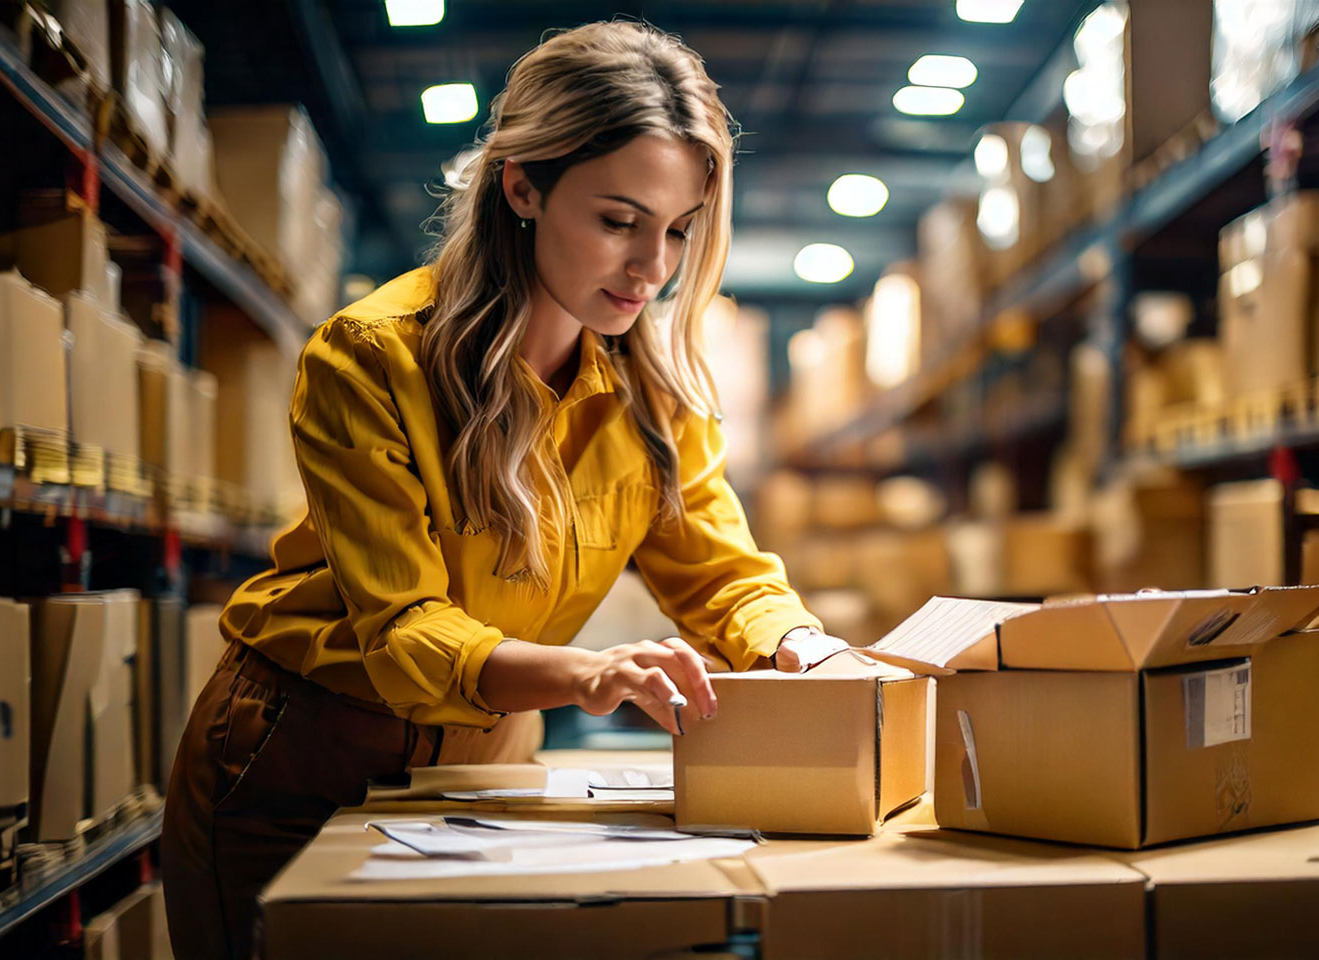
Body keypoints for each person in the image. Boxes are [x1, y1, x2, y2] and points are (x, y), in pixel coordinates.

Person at [160, 22, 845, 958]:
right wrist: (589, 674)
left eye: (679, 230)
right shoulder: (370, 358)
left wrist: (804, 647)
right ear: (522, 184)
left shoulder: (655, 397)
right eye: (618, 220)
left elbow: (724, 577)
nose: (653, 269)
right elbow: (404, 631)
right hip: (302, 757)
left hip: (487, 765)